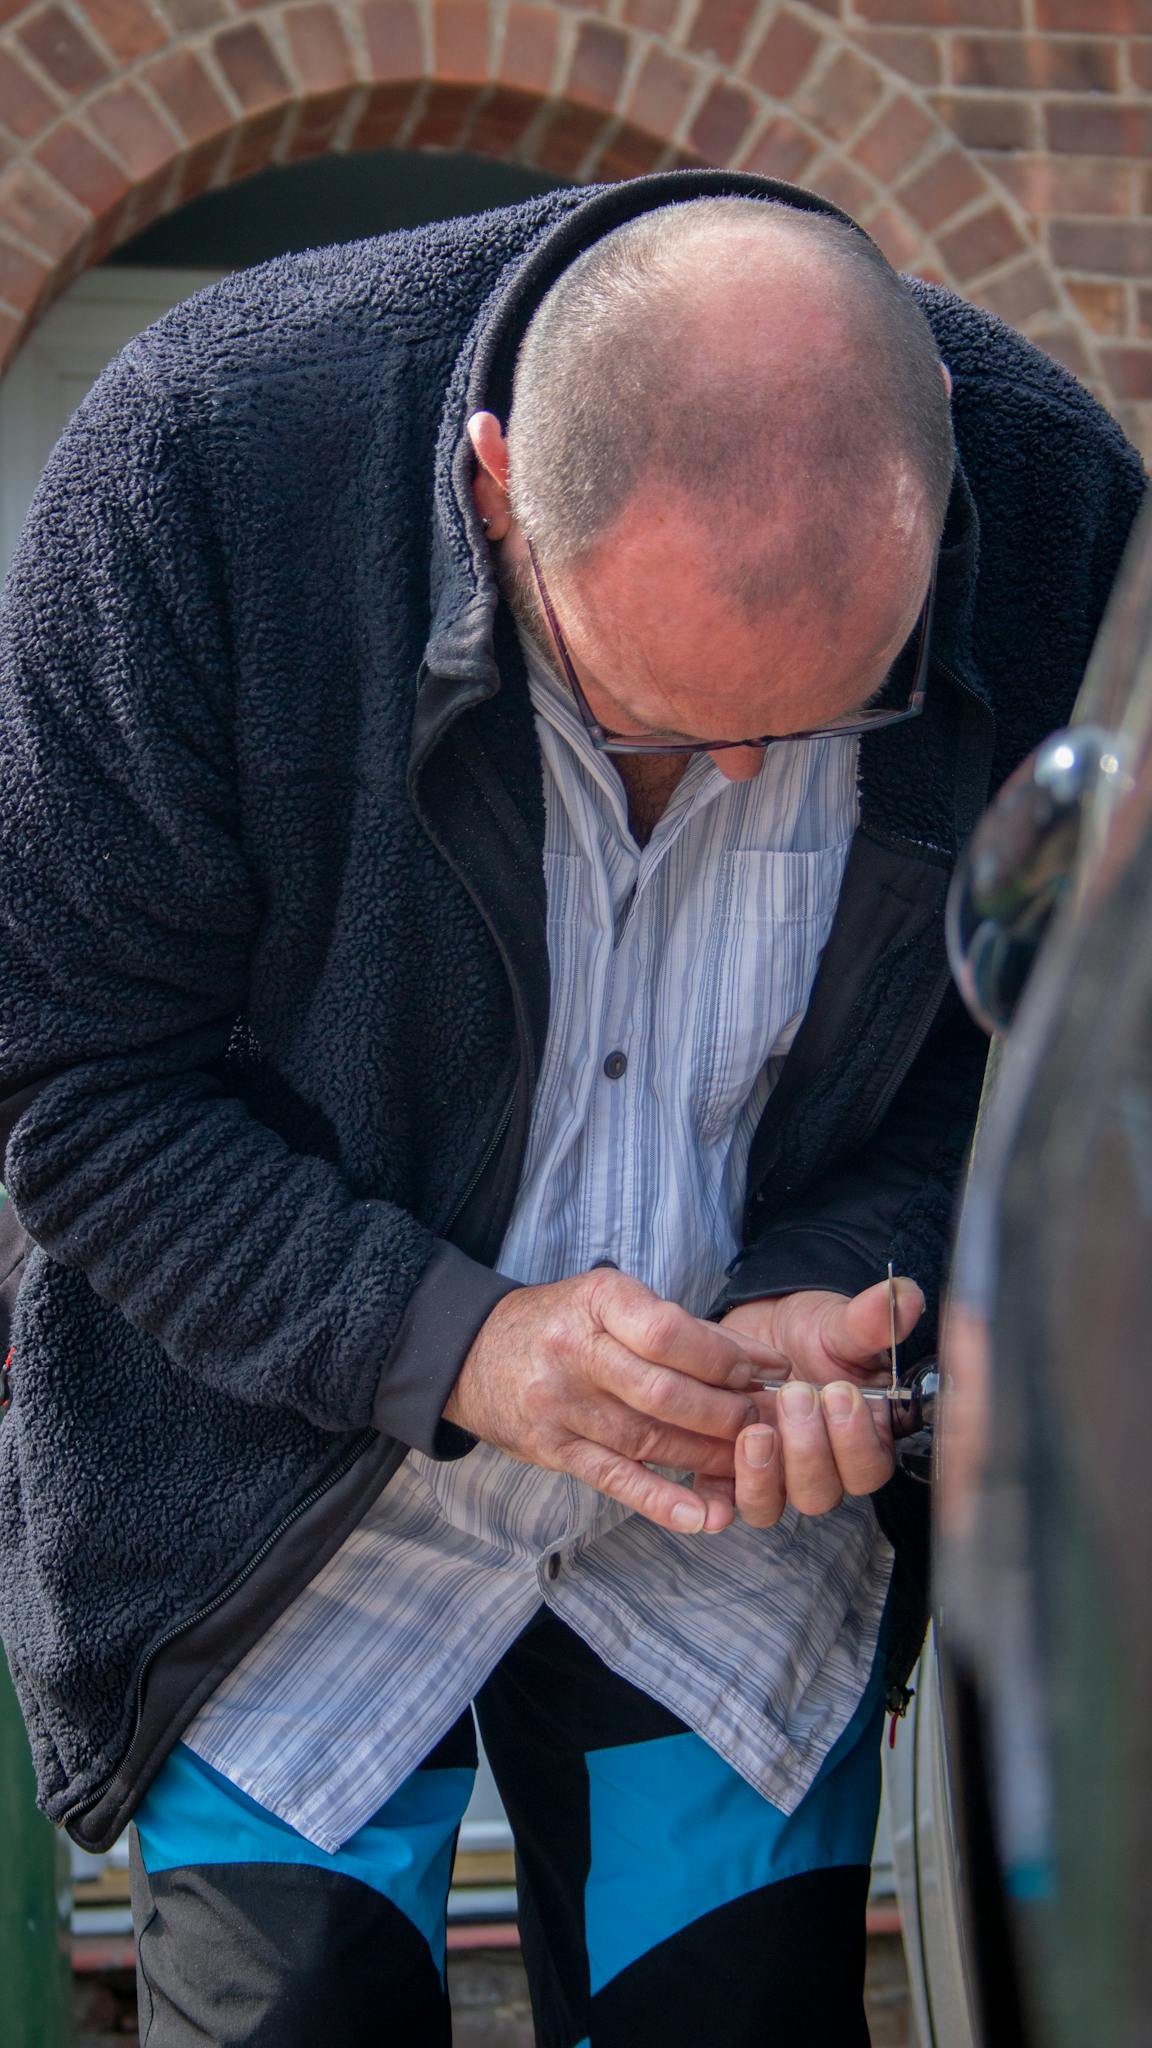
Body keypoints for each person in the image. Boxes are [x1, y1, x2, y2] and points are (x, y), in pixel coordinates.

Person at [0, 172, 1141, 2046]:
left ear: (944, 511)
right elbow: (80, 1085)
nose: (732, 776)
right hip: (283, 1518)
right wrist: (460, 1342)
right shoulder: (200, 470)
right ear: (489, 485)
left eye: (820, 726)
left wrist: (852, 1278)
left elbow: (1026, 1055)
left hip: (737, 1563)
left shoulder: (1059, 510)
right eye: (646, 723)